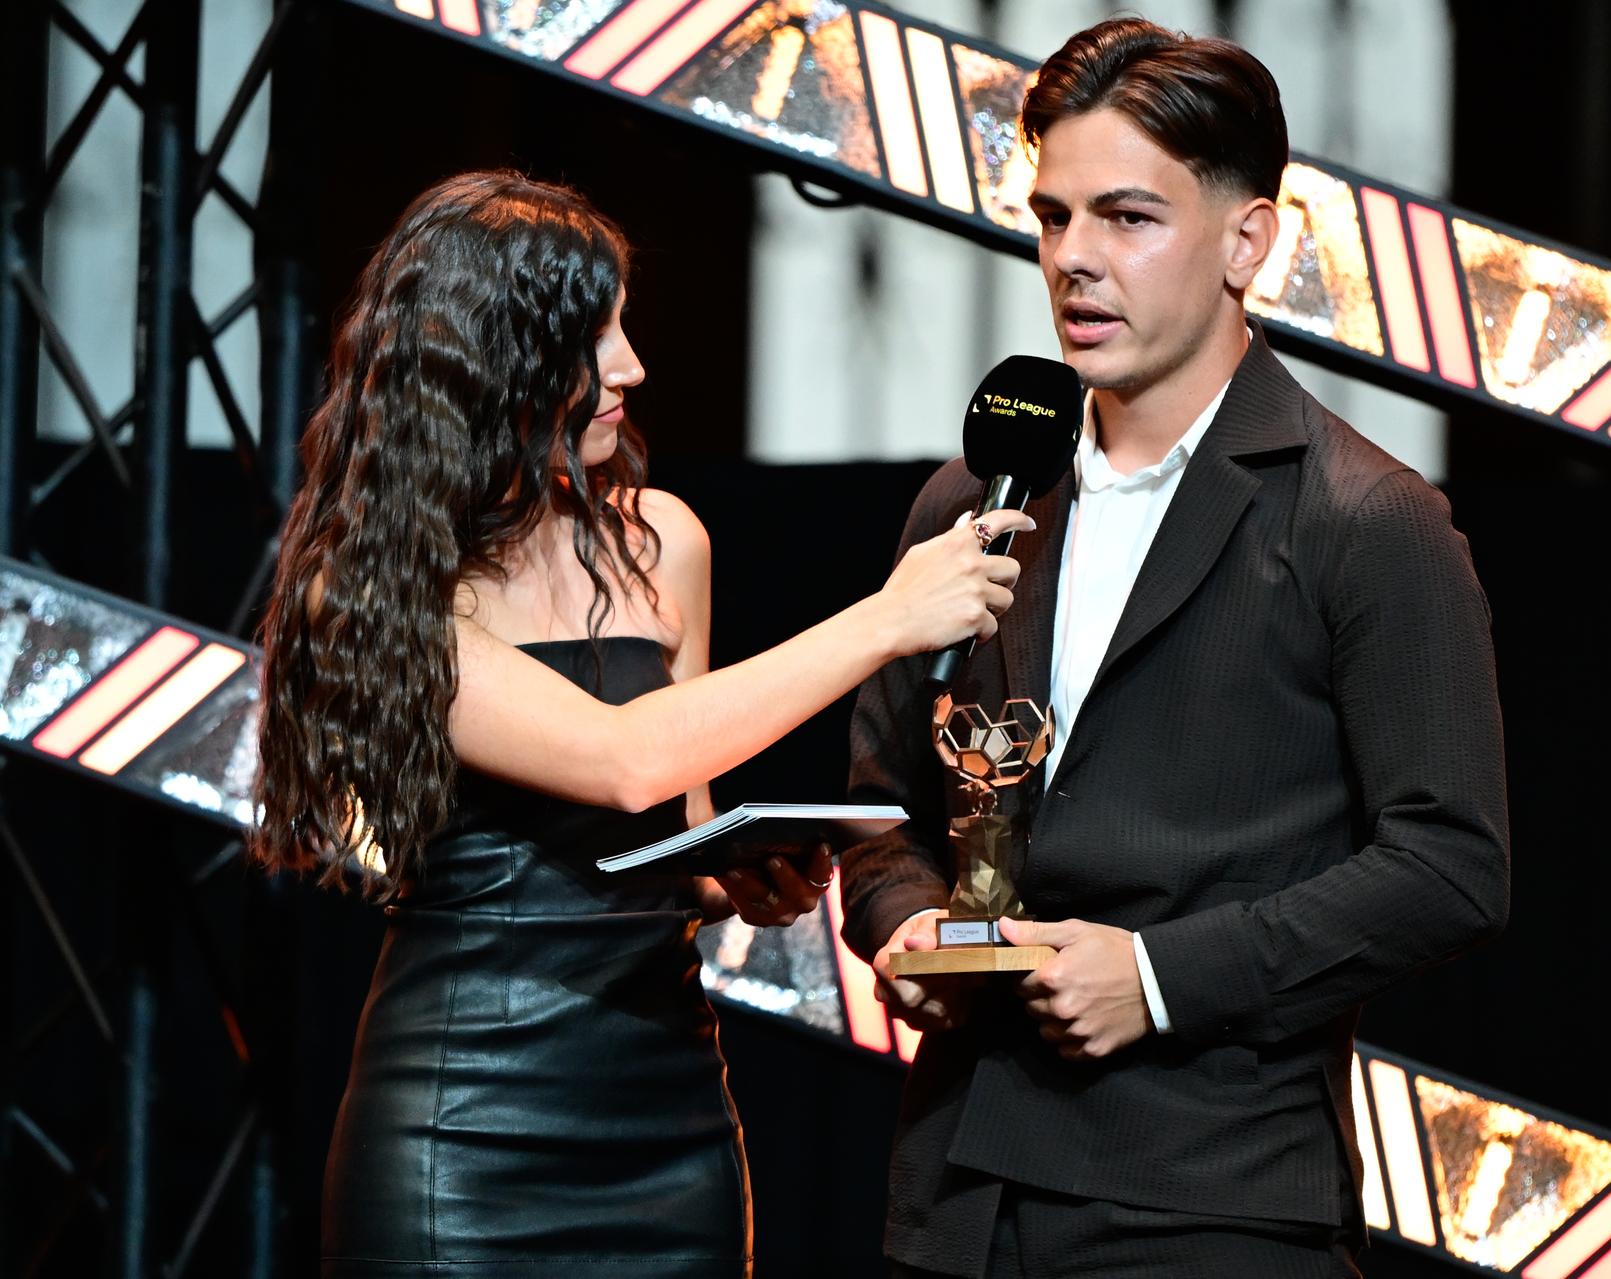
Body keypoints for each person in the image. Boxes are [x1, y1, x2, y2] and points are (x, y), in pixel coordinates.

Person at [249, 170, 1031, 1278]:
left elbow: (672, 815)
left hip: (670, 1119)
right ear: (488, 361)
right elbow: (624, 762)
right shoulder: (377, 591)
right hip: (466, 1126)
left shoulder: (661, 540)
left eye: (625, 329)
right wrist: (887, 618)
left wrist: (728, 875)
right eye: (590, 340)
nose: (631, 367)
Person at [839, 19, 1511, 1277]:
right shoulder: (976, 500)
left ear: (1248, 238)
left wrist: (1158, 977)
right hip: (958, 1189)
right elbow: (878, 803)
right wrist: (910, 922)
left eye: (1128, 218)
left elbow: (1453, 865)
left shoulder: (1364, 519)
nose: (1074, 261)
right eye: (1052, 217)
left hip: (1211, 1202)